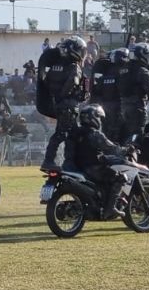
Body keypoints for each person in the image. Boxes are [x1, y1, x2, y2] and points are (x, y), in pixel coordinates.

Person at [63, 105, 129, 219]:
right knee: (121, 178)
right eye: (99, 117)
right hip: (94, 168)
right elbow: (111, 148)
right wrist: (125, 150)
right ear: (94, 118)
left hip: (76, 168)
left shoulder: (74, 132)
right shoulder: (94, 134)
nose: (100, 120)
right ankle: (111, 209)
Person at [37, 36, 87, 171]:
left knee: (73, 134)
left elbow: (46, 83)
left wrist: (58, 98)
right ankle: (48, 160)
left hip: (58, 105)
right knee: (61, 134)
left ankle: (70, 162)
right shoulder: (74, 67)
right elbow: (72, 84)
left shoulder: (55, 67)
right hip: (69, 105)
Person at [118, 43, 149, 142]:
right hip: (137, 106)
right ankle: (133, 155)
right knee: (138, 134)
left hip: (123, 105)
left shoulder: (124, 68)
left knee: (126, 133)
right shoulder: (142, 70)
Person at [90, 48, 126, 143]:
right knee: (118, 130)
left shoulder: (105, 74)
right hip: (118, 105)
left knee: (105, 129)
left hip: (104, 105)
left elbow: (97, 89)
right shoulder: (121, 73)